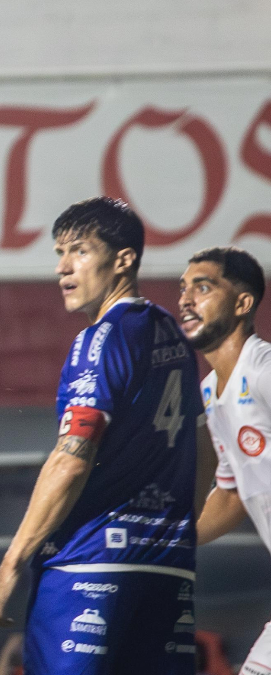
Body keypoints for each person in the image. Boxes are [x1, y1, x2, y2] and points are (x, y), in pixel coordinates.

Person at [0, 197, 215, 674]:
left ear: (124, 259)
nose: (62, 268)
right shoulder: (170, 333)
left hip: (90, 563)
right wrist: (175, 529)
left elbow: (71, 459)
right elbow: (204, 445)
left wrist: (11, 563)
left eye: (79, 251)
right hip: (166, 566)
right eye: (59, 253)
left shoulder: (101, 340)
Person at [180, 247, 271, 675]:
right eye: (183, 289)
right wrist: (172, 542)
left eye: (202, 288)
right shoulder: (210, 391)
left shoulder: (263, 370)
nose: (186, 300)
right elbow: (232, 495)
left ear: (242, 303)